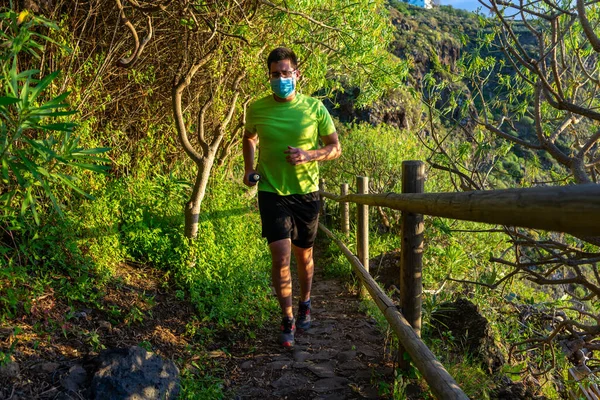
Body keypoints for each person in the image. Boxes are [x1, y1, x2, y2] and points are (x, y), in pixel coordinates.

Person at [243, 47, 341, 347]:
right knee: (281, 254)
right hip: (272, 191)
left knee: (304, 255)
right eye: (275, 74)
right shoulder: (256, 108)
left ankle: (305, 303)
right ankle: (287, 319)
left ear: (297, 75)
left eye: (286, 73)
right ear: (268, 76)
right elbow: (249, 137)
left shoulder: (314, 108)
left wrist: (308, 155)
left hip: (306, 194)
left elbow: (335, 148)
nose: (281, 78)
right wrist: (249, 168)